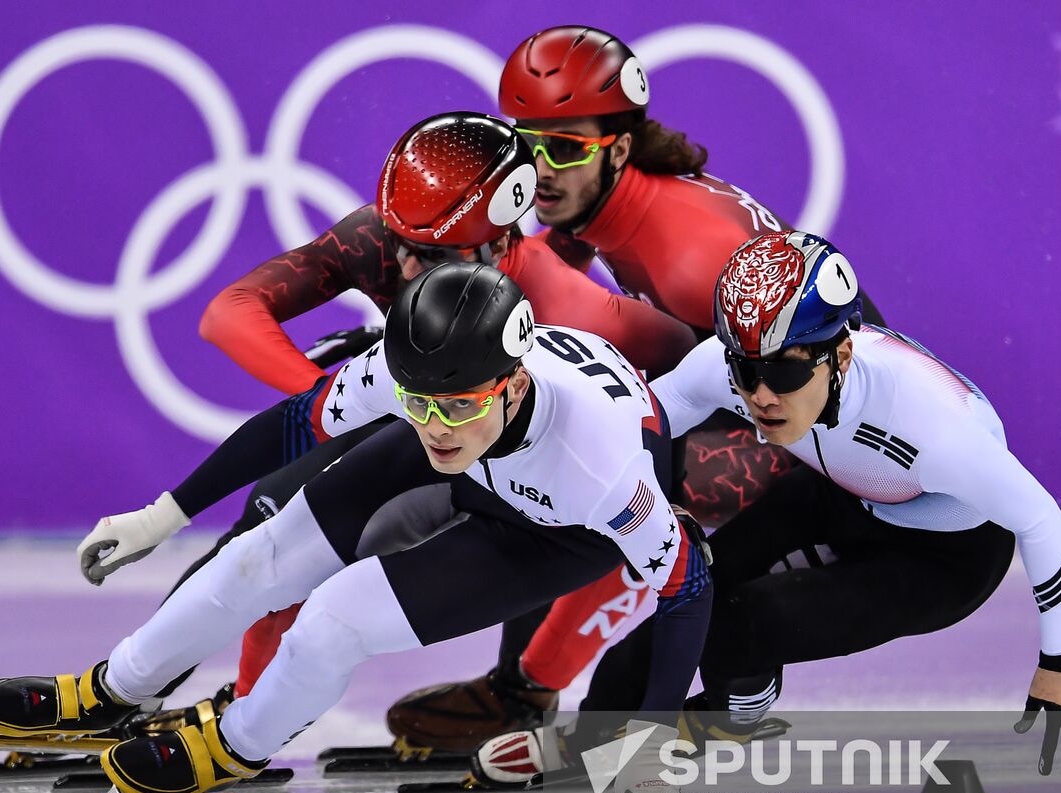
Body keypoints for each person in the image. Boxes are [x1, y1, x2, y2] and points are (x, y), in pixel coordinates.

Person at [0, 262, 716, 793]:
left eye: (457, 404)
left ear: (513, 385)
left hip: (554, 531)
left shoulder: (604, 470)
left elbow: (688, 585)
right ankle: (115, 687)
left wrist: (652, 743)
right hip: (489, 467)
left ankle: (234, 743)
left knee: (331, 619)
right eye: (418, 403)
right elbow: (296, 422)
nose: (436, 423)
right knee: (259, 556)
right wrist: (164, 514)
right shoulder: (428, 387)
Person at [384, 24, 889, 750]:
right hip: (759, 388)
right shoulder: (604, 201)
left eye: (564, 148)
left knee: (613, 473)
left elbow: (803, 376)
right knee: (550, 429)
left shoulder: (686, 253)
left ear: (619, 148)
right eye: (528, 146)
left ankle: (527, 689)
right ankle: (521, 684)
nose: (540, 170)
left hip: (823, 426)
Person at [476, 231, 1061, 793]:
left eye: (782, 371)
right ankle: (594, 731)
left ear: (841, 354)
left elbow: (1043, 521)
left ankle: (731, 714)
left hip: (947, 557)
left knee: (743, 625)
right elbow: (645, 419)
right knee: (688, 592)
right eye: (745, 371)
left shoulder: (933, 428)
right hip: (846, 493)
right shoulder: (737, 371)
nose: (761, 396)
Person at [136, 111, 697, 714]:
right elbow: (230, 313)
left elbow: (686, 360)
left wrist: (671, 470)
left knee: (553, 514)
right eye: (400, 242)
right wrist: (336, 399)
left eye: (431, 255)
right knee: (268, 518)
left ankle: (520, 693)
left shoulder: (566, 307)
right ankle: (136, 695)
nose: (404, 266)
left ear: (501, 245)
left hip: (514, 455)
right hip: (420, 410)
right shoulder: (382, 238)